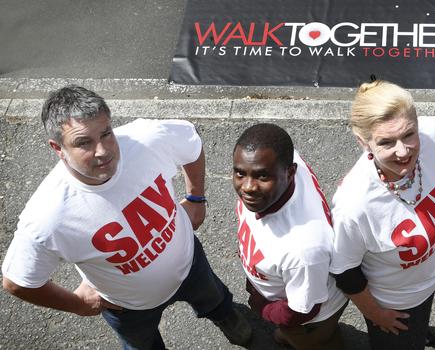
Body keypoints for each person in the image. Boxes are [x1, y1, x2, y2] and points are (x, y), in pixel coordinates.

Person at [1, 86, 252, 349]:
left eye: (106, 134)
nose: (103, 151)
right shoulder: (48, 216)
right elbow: (18, 282)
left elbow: (190, 143)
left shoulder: (146, 139)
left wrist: (196, 198)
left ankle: (225, 316)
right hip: (128, 308)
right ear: (58, 148)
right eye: (84, 142)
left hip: (191, 264)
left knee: (215, 299)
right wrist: (79, 304)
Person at [329, 80, 435, 350]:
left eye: (409, 134)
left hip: (428, 282)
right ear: (363, 142)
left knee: (415, 330)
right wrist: (376, 315)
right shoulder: (354, 204)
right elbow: (345, 272)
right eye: (386, 142)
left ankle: (417, 331)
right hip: (397, 302)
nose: (403, 152)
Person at [232, 123, 348, 350]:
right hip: (292, 285)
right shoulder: (281, 161)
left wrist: (264, 308)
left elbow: (303, 310)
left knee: (319, 343)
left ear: (290, 171)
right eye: (240, 172)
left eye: (262, 176)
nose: (248, 187)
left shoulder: (303, 249)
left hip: (312, 318)